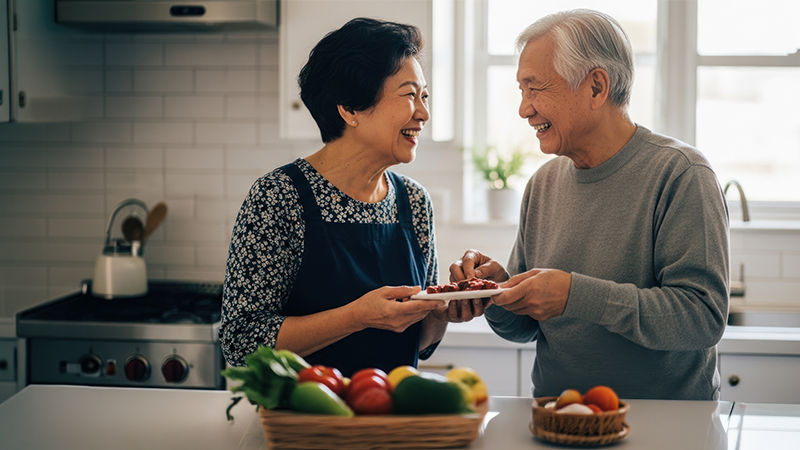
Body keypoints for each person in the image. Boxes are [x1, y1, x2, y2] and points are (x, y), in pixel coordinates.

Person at [450, 9, 730, 400]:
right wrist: (494, 293)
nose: (524, 108)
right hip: (555, 421)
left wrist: (574, 294)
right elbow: (525, 327)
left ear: (597, 87)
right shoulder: (542, 184)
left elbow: (702, 318)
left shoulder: (681, 174)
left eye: (536, 88)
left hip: (665, 428)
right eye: (521, 91)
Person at [219, 18, 484, 376]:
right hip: (305, 419)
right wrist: (356, 317)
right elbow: (241, 342)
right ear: (350, 109)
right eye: (409, 95)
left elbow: (419, 343)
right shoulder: (279, 197)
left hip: (391, 414)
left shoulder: (414, 202)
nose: (423, 114)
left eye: (424, 96)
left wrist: (441, 311)